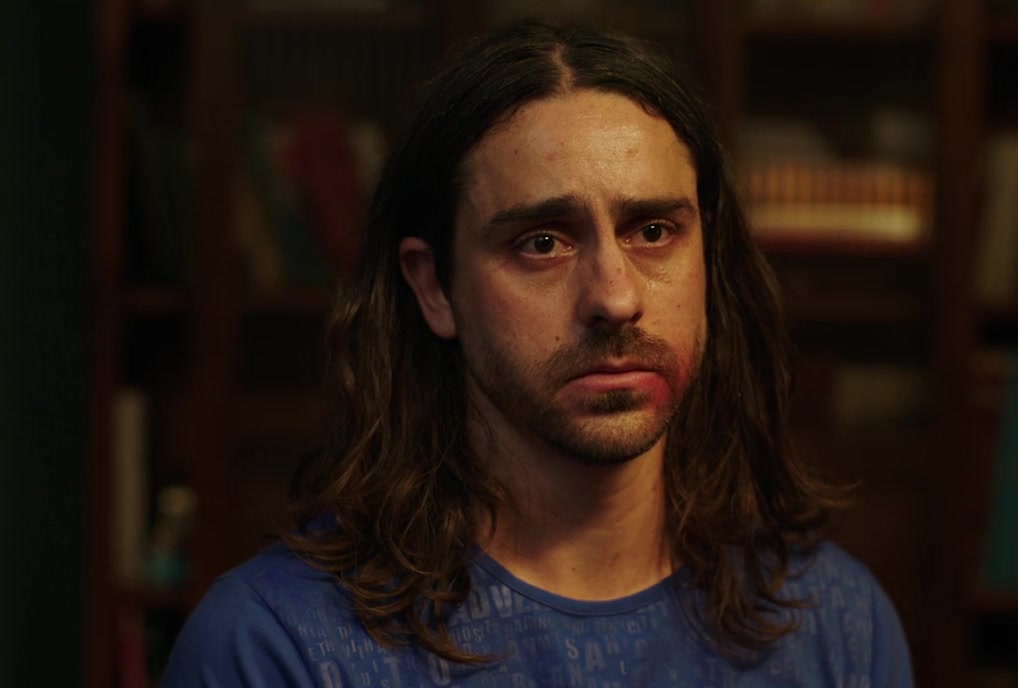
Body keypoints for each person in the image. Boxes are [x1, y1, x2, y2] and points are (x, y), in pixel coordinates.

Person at [161, 20, 913, 688]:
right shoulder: (275, 644)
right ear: (434, 287)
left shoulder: (836, 622)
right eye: (543, 242)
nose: (615, 297)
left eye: (654, 232)